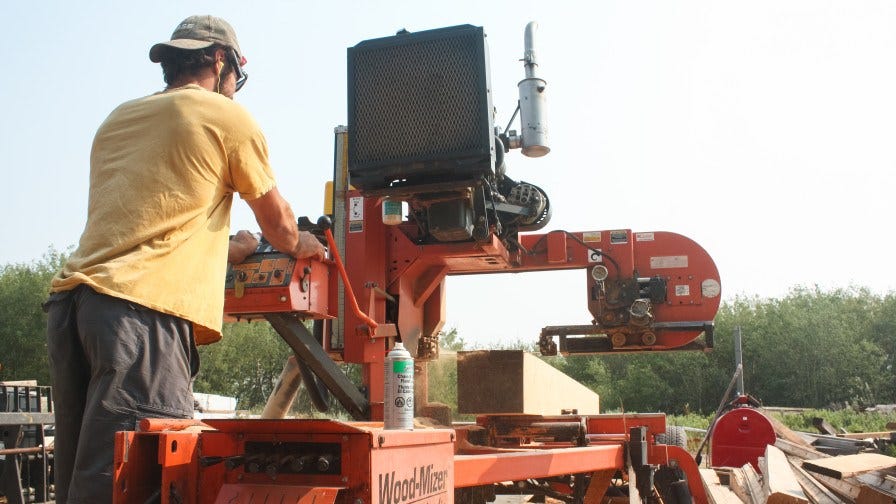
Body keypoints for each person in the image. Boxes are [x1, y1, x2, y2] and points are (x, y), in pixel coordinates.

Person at [44, 15, 325, 503]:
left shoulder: (119, 119)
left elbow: (150, 223)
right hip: (139, 321)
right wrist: (304, 243)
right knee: (141, 485)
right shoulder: (225, 116)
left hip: (74, 311)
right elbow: (279, 227)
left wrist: (226, 247)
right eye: (237, 78)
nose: (235, 90)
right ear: (221, 62)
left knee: (84, 483)